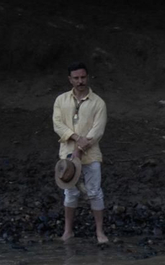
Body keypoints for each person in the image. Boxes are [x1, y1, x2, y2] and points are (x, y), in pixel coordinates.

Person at [52, 61, 108, 243]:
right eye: (76, 78)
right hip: (67, 154)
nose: (80, 81)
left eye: (83, 77)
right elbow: (58, 125)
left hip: (91, 154)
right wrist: (76, 139)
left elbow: (97, 131)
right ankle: (68, 231)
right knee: (70, 193)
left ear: (87, 77)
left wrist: (82, 148)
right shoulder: (61, 100)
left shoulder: (98, 102)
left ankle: (99, 232)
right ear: (70, 79)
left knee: (94, 192)